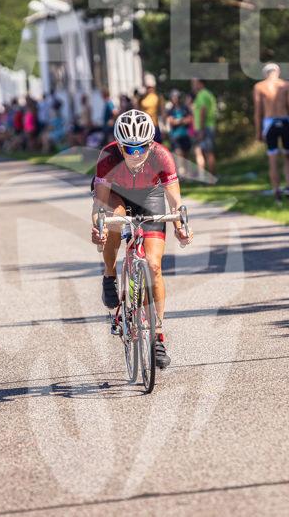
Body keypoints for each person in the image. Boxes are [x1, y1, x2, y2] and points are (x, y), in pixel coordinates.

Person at [90, 109, 193, 368]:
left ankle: (157, 336)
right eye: (130, 148)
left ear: (150, 143)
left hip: (150, 195)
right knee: (114, 220)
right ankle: (109, 274)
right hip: (116, 194)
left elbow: (176, 203)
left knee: (154, 266)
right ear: (119, 146)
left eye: (142, 148)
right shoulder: (108, 156)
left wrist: (181, 226)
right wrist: (99, 228)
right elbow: (99, 205)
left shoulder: (161, 155)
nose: (136, 154)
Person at [253, 62, 289, 203]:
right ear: (278, 72)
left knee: (272, 158)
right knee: (288, 156)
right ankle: (288, 186)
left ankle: (276, 191)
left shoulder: (259, 87)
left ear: (265, 73)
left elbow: (258, 112)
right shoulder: (286, 85)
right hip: (285, 121)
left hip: (269, 123)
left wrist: (258, 131)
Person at [191, 78, 217, 177]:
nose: (193, 86)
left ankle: (210, 177)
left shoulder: (202, 94)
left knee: (207, 152)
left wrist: (201, 129)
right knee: (202, 151)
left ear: (200, 83)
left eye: (194, 83)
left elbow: (203, 111)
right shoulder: (207, 94)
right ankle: (206, 176)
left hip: (204, 127)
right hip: (206, 127)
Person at [166, 90, 193, 176]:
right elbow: (171, 121)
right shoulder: (170, 110)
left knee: (186, 155)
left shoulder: (185, 108)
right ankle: (181, 174)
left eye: (176, 97)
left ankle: (187, 173)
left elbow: (189, 119)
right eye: (173, 97)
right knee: (179, 154)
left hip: (185, 135)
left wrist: (178, 121)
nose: (175, 99)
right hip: (175, 136)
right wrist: (181, 120)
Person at [139, 74, 164, 142]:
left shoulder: (157, 97)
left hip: (154, 125)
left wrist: (163, 126)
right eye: (148, 87)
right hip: (144, 125)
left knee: (156, 144)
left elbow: (162, 111)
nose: (149, 89)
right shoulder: (143, 97)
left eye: (150, 87)